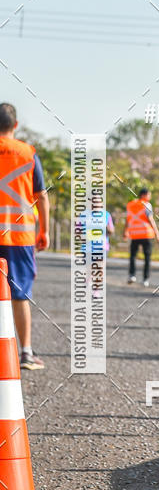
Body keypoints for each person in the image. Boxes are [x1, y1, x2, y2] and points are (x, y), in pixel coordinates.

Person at [0, 102, 49, 369]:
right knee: (20, 294)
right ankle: (26, 352)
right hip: (19, 238)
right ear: (15, 125)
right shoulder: (28, 154)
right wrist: (45, 231)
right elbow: (41, 196)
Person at [125, 188, 159, 286]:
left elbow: (127, 219)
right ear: (144, 195)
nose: (150, 197)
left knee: (133, 256)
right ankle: (145, 279)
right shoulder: (147, 204)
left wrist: (126, 232)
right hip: (147, 234)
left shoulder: (130, 204)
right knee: (147, 258)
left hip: (134, 234)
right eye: (149, 195)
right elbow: (151, 220)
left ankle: (132, 275)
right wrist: (157, 234)